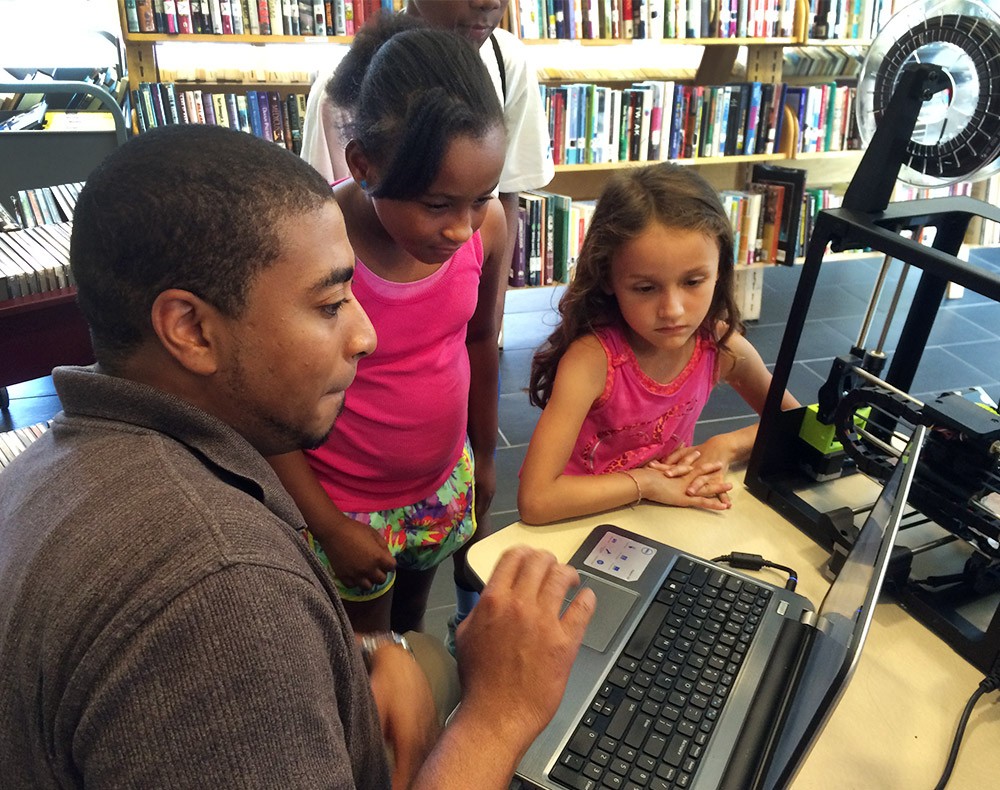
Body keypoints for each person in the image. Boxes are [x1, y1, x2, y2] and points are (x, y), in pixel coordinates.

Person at [0, 123, 595, 789]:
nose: (365, 335)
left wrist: (368, 649)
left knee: (419, 656)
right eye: (331, 303)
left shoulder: (46, 464)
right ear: (191, 329)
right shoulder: (222, 590)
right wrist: (500, 714)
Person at [267, 23, 508, 639]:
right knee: (367, 655)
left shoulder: (489, 230)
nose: (461, 228)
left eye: (481, 197)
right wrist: (327, 526)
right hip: (342, 505)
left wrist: (484, 456)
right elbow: (269, 406)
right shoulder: (311, 248)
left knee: (412, 629)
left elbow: (481, 340)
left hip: (439, 486)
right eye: (436, 205)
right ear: (363, 165)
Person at [518, 163, 800, 525]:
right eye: (646, 288)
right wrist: (647, 483)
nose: (673, 310)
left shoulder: (719, 346)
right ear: (607, 278)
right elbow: (537, 500)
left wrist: (727, 446)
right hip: (578, 520)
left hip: (662, 516)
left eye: (693, 282)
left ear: (720, 269)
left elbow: (795, 422)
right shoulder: (592, 360)